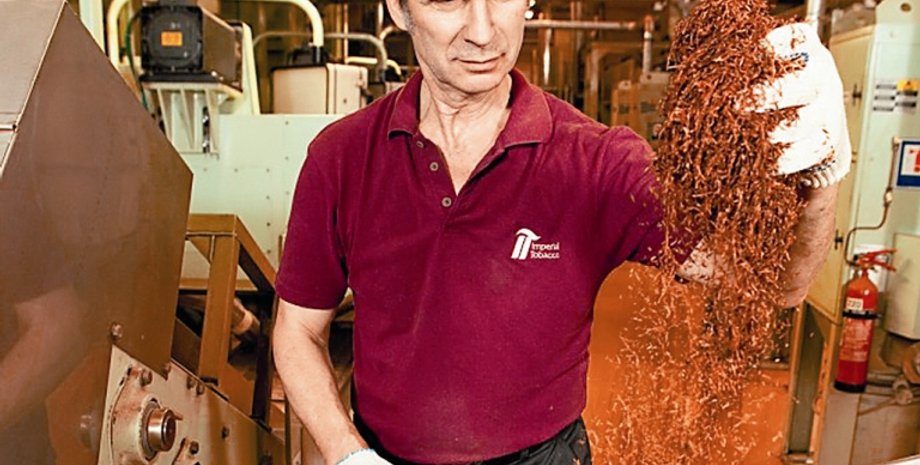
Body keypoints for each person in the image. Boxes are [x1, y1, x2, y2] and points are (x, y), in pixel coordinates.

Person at [271, 0, 851, 462]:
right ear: (398, 8)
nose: (483, 32)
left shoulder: (598, 163)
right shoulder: (341, 158)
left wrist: (820, 181)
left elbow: (775, 285)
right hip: (383, 453)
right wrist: (348, 453)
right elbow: (298, 330)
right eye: (447, 0)